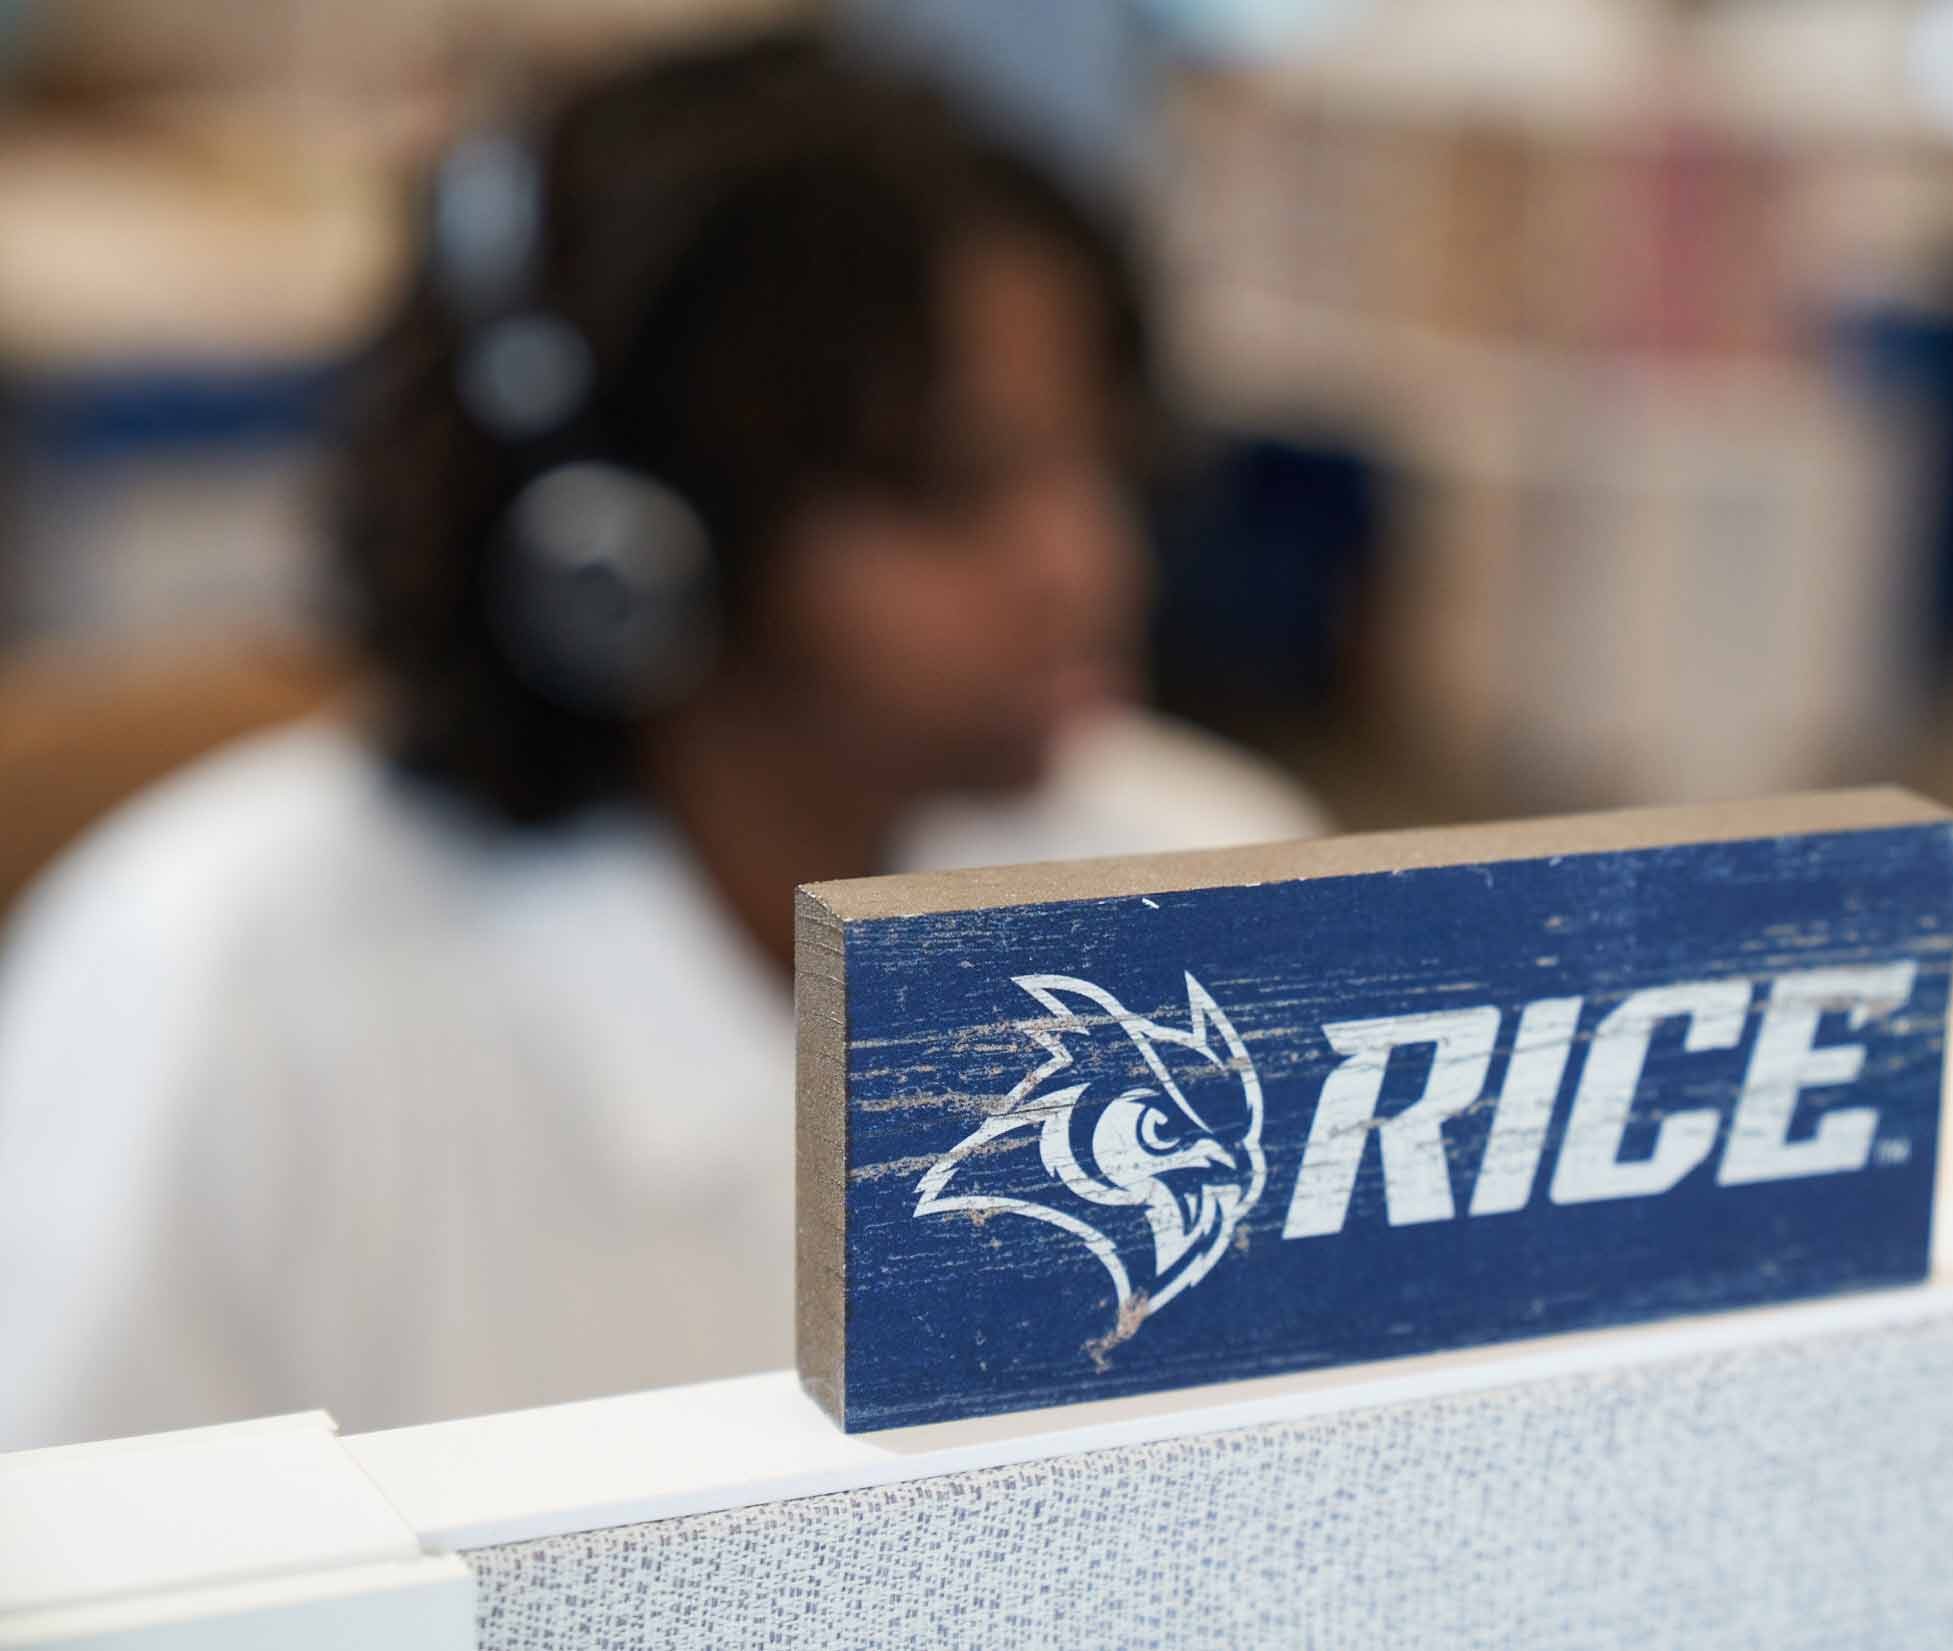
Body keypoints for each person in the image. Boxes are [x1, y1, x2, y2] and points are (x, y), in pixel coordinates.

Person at [0, 30, 1321, 1450]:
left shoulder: (1211, 880)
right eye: (952, 491)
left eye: (1096, 460)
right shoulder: (222, 989)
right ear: (622, 549)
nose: (1085, 564)